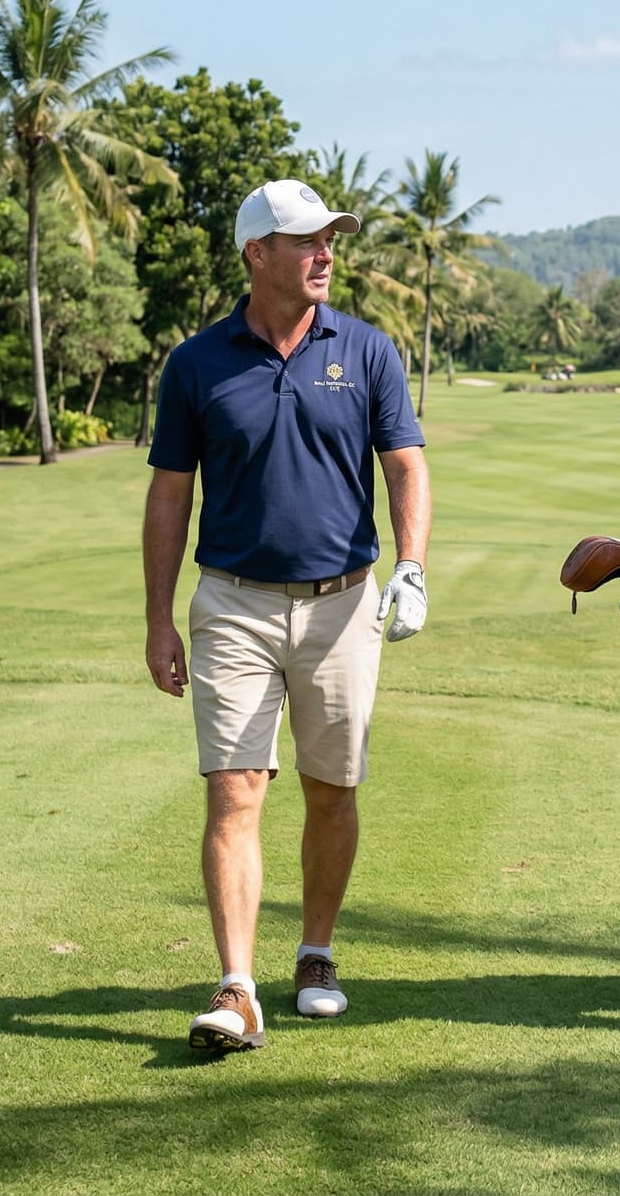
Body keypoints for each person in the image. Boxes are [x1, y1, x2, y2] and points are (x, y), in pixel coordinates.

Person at [142, 178, 432, 1054]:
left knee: (332, 787)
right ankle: (237, 987)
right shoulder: (197, 363)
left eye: (330, 238)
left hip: (343, 604)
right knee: (235, 789)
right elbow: (168, 498)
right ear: (255, 254)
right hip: (231, 602)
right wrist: (160, 619)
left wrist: (411, 567)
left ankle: (315, 954)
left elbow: (406, 467)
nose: (325, 252)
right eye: (306, 240)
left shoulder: (369, 350)